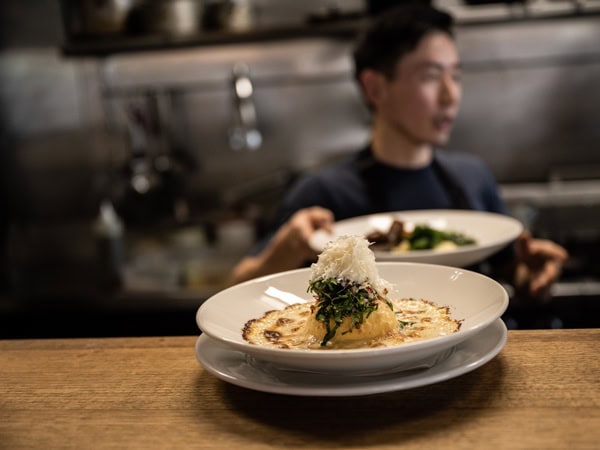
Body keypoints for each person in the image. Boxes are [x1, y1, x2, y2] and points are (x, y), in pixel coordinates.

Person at [228, 2, 567, 303]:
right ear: (375, 87)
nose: (451, 96)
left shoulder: (473, 177)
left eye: (456, 76)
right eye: (432, 77)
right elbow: (234, 291)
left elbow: (511, 274)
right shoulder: (323, 193)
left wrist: (531, 275)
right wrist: (286, 250)